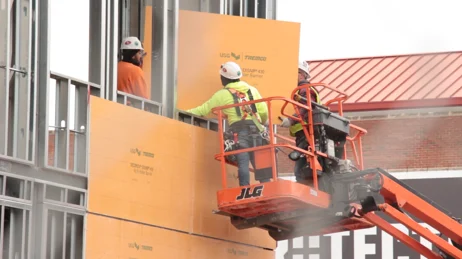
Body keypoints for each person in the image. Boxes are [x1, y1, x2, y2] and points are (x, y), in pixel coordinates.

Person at [186, 61, 271, 186]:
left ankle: (244, 190)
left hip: (239, 131)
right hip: (256, 130)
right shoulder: (253, 90)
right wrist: (262, 123)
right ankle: (267, 187)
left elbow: (202, 110)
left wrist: (181, 112)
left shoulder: (221, 95)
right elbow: (264, 112)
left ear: (224, 78)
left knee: (243, 161)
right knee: (259, 161)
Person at [281, 60, 322, 184]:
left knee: (301, 168)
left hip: (307, 132)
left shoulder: (304, 89)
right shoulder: (301, 90)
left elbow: (305, 107)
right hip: (305, 132)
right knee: (303, 166)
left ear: (301, 74)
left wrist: (290, 120)